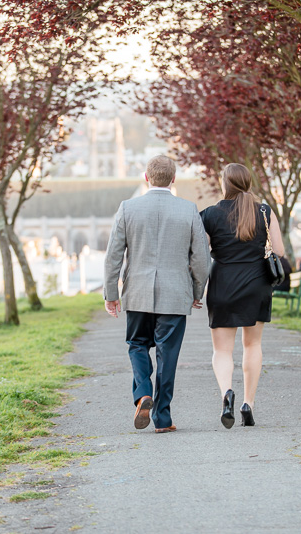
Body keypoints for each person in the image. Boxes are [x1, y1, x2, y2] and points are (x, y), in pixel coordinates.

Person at [103, 155, 211, 434]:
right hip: (175, 295)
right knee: (168, 354)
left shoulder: (128, 208)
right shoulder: (188, 210)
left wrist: (110, 292)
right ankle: (163, 418)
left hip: (137, 292)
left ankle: (142, 393)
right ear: (174, 179)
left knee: (137, 344)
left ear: (146, 179)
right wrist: (197, 290)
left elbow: (113, 255)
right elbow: (202, 258)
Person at [200, 163, 285, 428]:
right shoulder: (263, 211)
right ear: (247, 182)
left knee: (222, 350)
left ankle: (227, 395)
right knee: (252, 345)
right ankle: (249, 403)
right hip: (257, 284)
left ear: (225, 184)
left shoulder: (210, 214)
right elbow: (279, 250)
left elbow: (200, 254)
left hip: (223, 284)